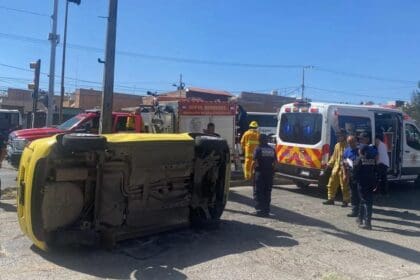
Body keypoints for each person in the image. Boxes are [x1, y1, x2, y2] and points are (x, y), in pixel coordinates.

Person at [323, 128, 350, 206]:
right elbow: (333, 157)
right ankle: (330, 199)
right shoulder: (337, 145)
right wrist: (328, 166)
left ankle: (346, 200)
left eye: (340, 135)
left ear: (344, 136)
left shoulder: (348, 145)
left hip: (344, 169)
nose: (338, 137)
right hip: (336, 168)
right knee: (331, 183)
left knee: (344, 185)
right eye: (337, 136)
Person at [353, 144, 377, 230]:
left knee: (366, 202)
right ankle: (360, 218)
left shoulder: (360, 159)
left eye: (359, 149)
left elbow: (355, 170)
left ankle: (367, 223)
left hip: (362, 183)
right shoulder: (372, 159)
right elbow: (375, 170)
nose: (358, 150)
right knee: (365, 200)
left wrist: (354, 179)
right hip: (371, 182)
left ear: (361, 151)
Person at [252, 134, 276, 217]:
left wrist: (253, 172)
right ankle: (266, 210)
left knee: (259, 191)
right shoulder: (272, 150)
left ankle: (260, 210)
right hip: (269, 174)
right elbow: (275, 163)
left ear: (259, 140)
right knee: (267, 191)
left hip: (260, 173)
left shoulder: (258, 149)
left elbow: (255, 161)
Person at [342, 135, 360, 217]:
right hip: (351, 174)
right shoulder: (346, 151)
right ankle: (354, 210)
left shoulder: (360, 150)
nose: (351, 144)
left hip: (360, 175)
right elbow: (343, 163)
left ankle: (360, 210)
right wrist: (344, 174)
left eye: (352, 142)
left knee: (359, 193)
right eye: (349, 142)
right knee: (353, 193)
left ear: (356, 141)